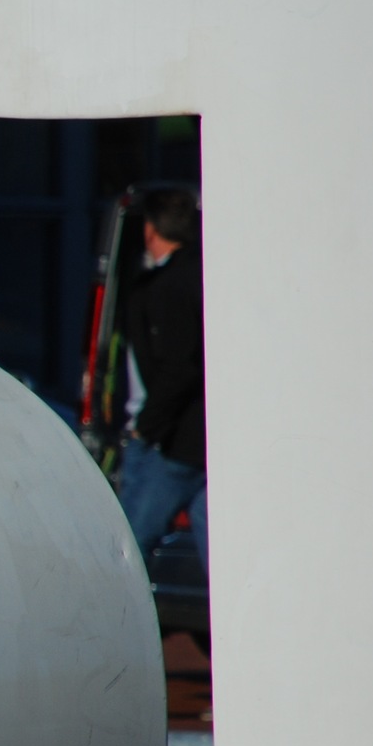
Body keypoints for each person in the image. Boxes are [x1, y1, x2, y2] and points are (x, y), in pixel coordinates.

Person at [118, 186, 207, 573]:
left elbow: (179, 367)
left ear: (151, 230)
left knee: (127, 546)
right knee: (219, 547)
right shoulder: (205, 274)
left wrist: (146, 427)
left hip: (173, 441)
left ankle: (114, 611)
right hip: (202, 439)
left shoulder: (166, 286)